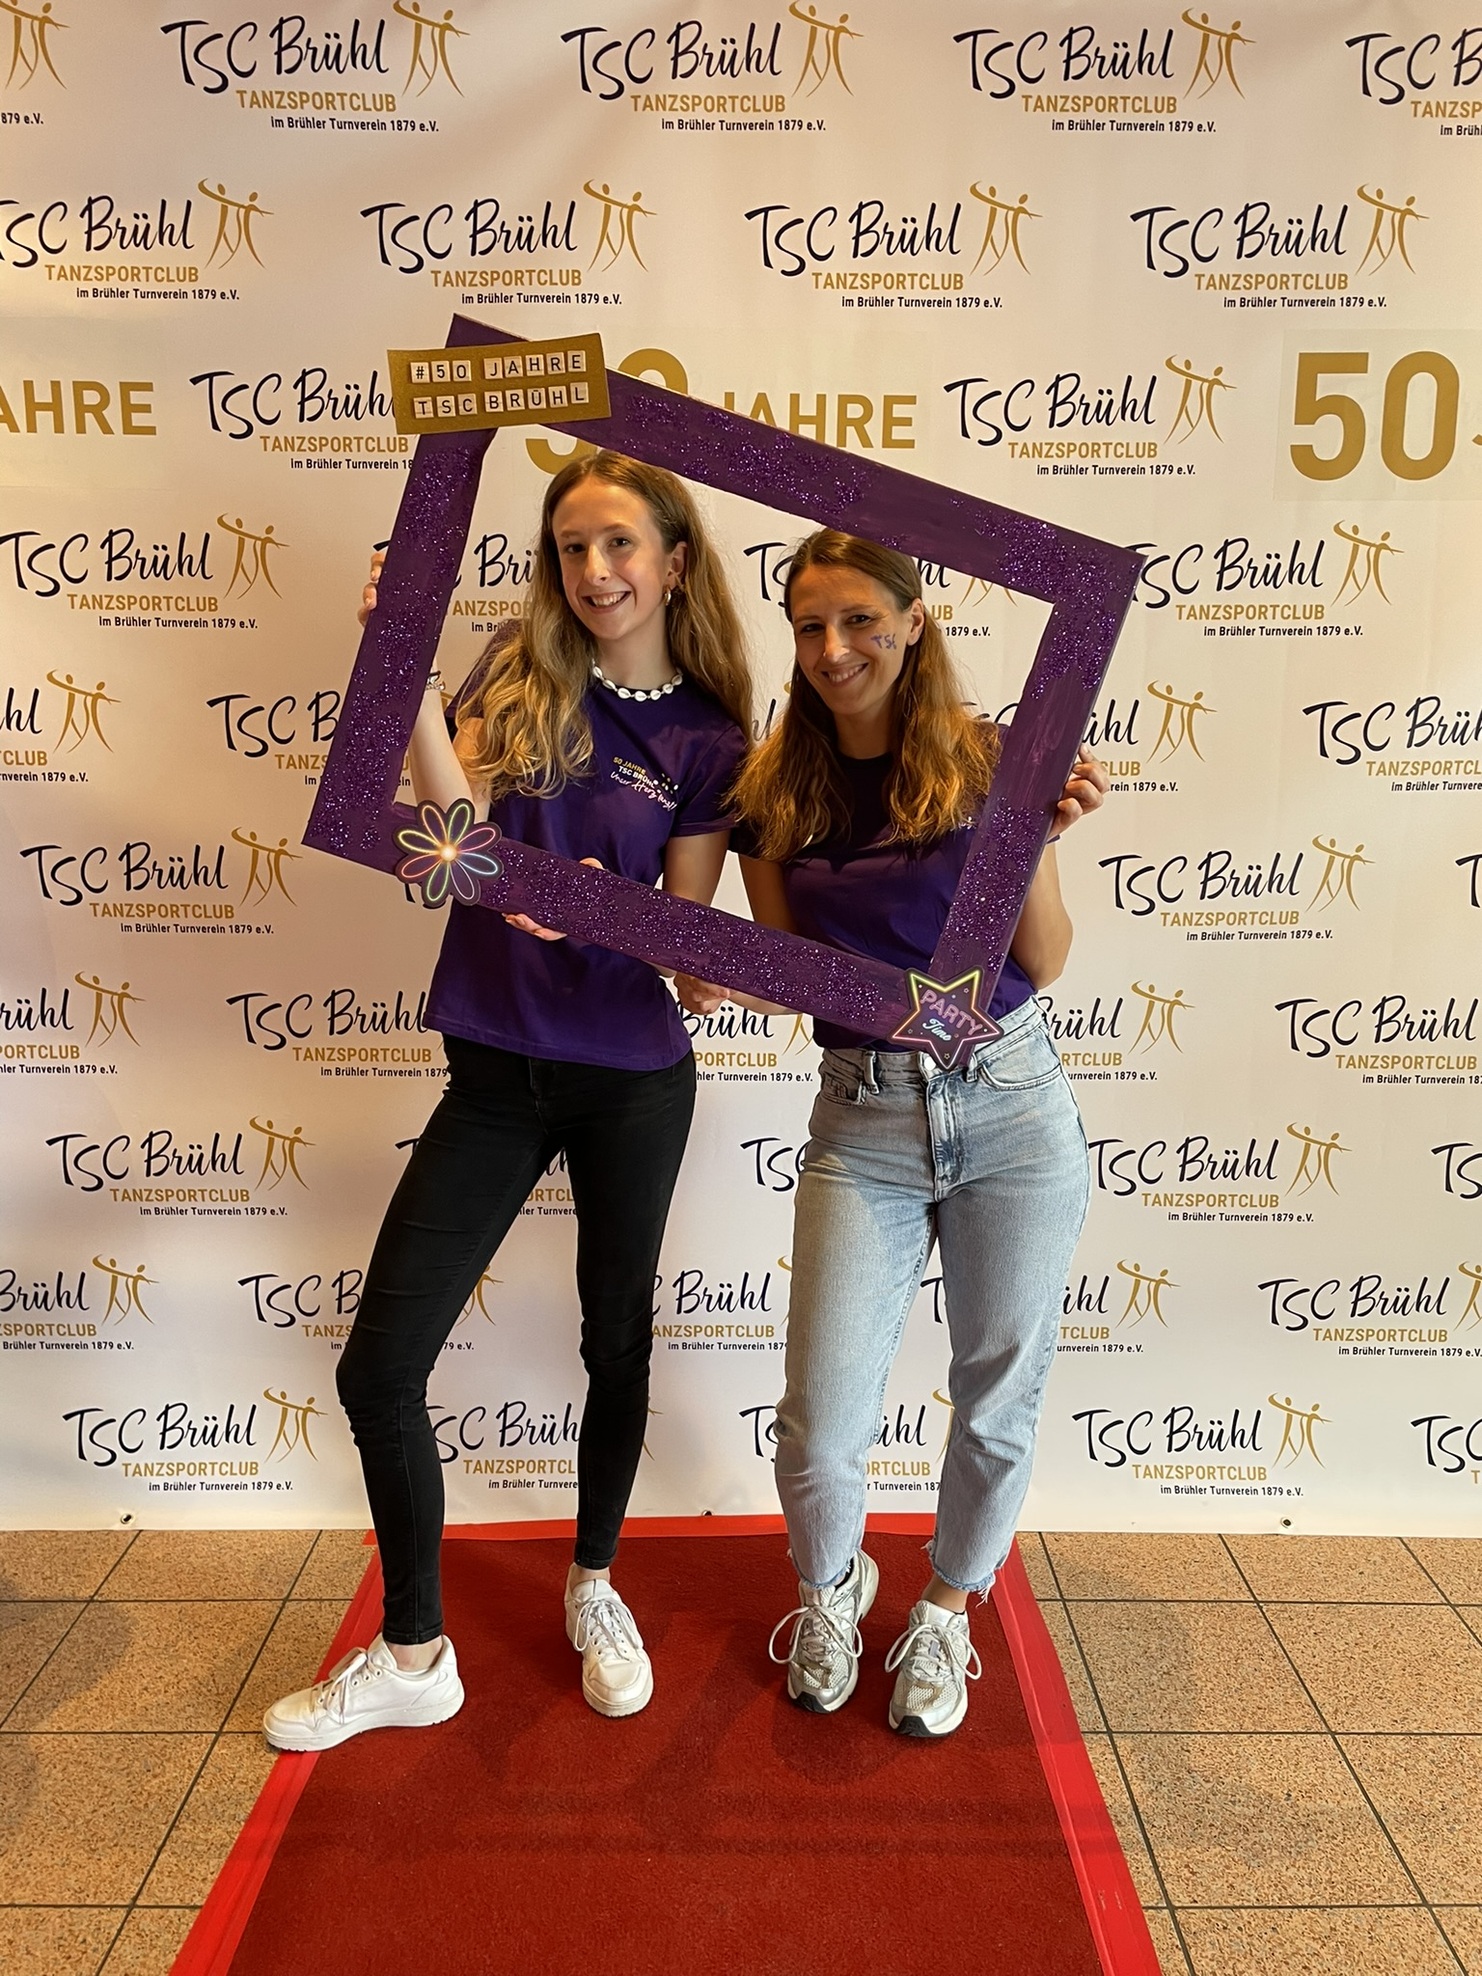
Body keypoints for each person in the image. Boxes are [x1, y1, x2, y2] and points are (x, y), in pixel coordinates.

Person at [264, 453, 752, 1749]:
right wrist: (410, 674)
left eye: (618, 546)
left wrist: (623, 919)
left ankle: (595, 1583)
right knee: (380, 1366)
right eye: (572, 546)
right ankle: (415, 1652)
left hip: (633, 1081)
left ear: (673, 561)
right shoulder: (514, 666)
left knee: (615, 1342)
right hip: (494, 1063)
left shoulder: (709, 732)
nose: (593, 571)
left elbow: (694, 945)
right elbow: (445, 832)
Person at [677, 529, 1107, 1738]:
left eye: (859, 619)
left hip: (1013, 1103)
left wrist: (1033, 842)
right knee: (820, 1410)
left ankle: (949, 1610)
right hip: (862, 1113)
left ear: (915, 620)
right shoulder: (774, 787)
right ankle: (829, 1589)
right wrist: (713, 972)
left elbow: (1045, 958)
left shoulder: (992, 759)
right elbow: (795, 970)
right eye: (810, 625)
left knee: (997, 1390)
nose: (831, 649)